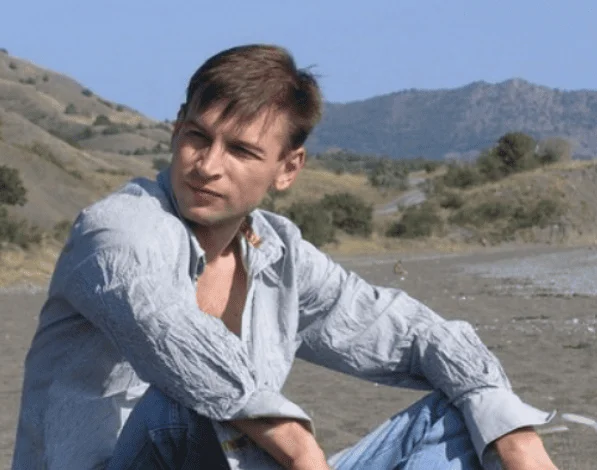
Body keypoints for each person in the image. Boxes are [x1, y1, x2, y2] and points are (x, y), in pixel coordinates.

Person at [12, 44, 558, 470]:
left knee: (461, 415)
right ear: (176, 129)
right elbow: (168, 331)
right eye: (197, 137)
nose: (207, 165)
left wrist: (514, 433)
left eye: (240, 150)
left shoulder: (279, 255)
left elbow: (410, 332)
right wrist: (299, 449)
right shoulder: (117, 228)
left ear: (288, 169)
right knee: (187, 400)